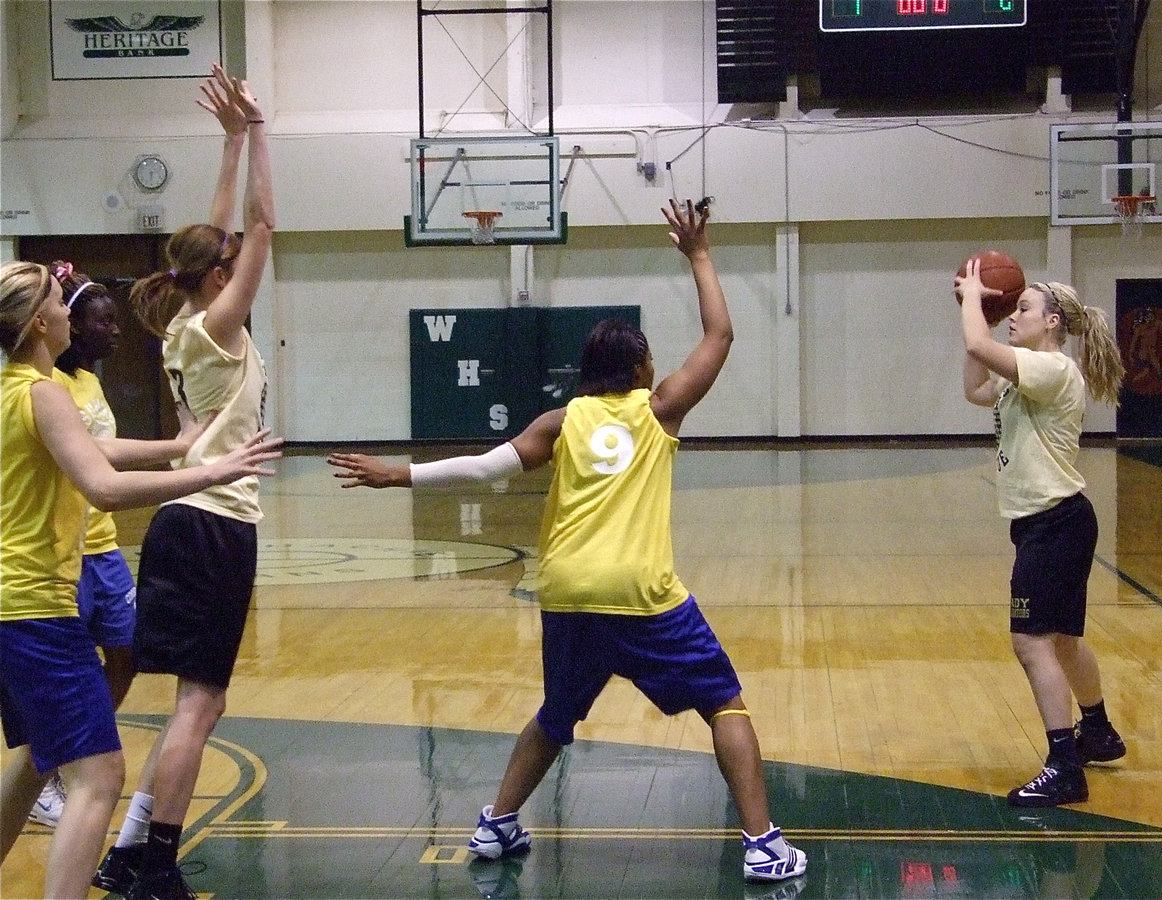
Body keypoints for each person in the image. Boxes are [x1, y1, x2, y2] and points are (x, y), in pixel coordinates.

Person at [328, 199, 806, 885]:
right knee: (724, 701)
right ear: (640, 370)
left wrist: (396, 475)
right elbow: (721, 335)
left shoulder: (562, 420)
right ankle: (762, 845)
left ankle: (495, 825)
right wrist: (698, 255)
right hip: (642, 595)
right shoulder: (662, 409)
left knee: (556, 715)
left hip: (566, 592)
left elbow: (486, 467)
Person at [0, 260, 282, 900]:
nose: (71, 314)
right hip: (35, 608)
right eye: (61, 304)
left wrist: (182, 445)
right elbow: (102, 486)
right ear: (40, 323)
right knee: (98, 778)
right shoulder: (46, 394)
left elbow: (100, 451)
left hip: (9, 606)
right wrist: (212, 471)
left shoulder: (18, 389)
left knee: (38, 761)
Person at [91, 63, 276, 900]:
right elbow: (261, 228)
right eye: (229, 263)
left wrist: (230, 144)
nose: (237, 261)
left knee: (202, 704)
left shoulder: (182, 324)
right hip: (214, 522)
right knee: (200, 705)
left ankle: (134, 847)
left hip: (181, 521)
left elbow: (217, 232)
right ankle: (156, 865)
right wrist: (262, 135)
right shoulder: (218, 324)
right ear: (218, 280)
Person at [957, 260, 1127, 808]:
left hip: (1056, 522)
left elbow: (983, 350)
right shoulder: (1026, 373)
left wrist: (974, 305)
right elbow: (975, 386)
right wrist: (977, 323)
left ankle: (1063, 766)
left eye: (1021, 308)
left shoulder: (1052, 369)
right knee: (1064, 641)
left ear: (1052, 321)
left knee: (1031, 641)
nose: (1011, 315)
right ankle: (1096, 731)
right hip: (1054, 523)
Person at [25, 263, 142, 832]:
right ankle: (58, 762)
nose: (114, 330)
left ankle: (64, 749)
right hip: (51, 567)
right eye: (104, 320)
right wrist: (200, 464)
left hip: (100, 549)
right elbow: (102, 473)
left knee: (127, 652)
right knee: (96, 772)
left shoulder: (88, 382)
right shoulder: (45, 391)